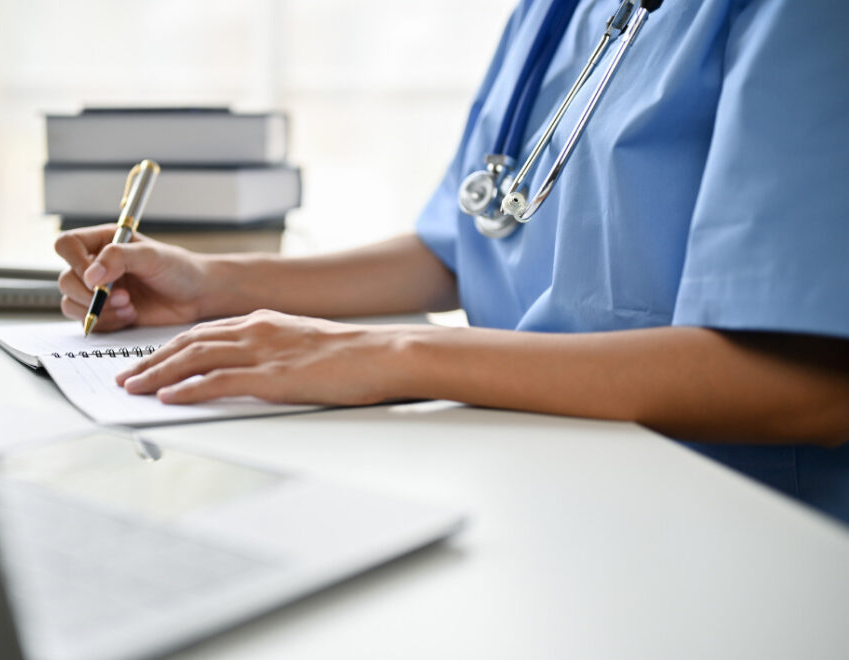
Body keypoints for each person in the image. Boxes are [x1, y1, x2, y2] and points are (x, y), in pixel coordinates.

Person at [56, 0, 849, 522]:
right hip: (533, 478)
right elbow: (469, 241)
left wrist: (391, 355)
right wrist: (213, 285)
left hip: (733, 527)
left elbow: (809, 386)